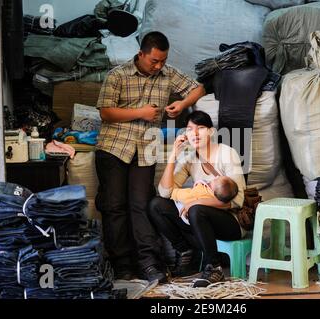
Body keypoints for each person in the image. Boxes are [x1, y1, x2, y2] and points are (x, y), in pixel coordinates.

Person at [95, 31, 206, 283]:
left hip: (145, 149)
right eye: (154, 61)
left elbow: (199, 88)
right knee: (114, 208)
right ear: (141, 54)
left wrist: (182, 103)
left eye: (163, 61)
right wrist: (141, 113)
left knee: (141, 206)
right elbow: (105, 113)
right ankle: (122, 266)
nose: (158, 66)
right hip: (114, 147)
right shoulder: (117, 75)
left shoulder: (167, 75)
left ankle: (148, 264)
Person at [148, 111, 247, 287]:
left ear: (210, 132)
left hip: (231, 222)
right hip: (200, 220)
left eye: (200, 128)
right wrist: (173, 156)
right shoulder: (189, 158)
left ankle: (214, 267)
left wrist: (196, 202)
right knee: (157, 205)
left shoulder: (227, 153)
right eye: (189, 129)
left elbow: (237, 200)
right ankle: (185, 251)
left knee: (196, 209)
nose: (194, 134)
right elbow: (164, 192)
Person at [171, 176, 239, 224]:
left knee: (182, 197)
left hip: (186, 213)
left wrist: (175, 193)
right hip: (199, 217)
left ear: (213, 190)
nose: (216, 177)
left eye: (216, 179)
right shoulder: (217, 197)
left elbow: (188, 196)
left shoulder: (203, 192)